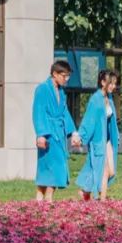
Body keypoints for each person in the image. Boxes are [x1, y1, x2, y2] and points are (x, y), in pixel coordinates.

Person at [32, 60, 81, 202]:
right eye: (64, 76)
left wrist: (73, 132)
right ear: (55, 74)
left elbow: (64, 112)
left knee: (51, 165)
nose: (66, 79)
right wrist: (41, 134)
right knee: (52, 165)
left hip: (59, 133)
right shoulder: (42, 89)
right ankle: (48, 198)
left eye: (68, 76)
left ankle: (40, 198)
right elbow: (38, 112)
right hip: (48, 133)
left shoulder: (61, 92)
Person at [76, 69, 120, 201]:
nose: (113, 86)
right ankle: (102, 200)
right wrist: (81, 137)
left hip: (107, 140)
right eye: (110, 83)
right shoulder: (95, 99)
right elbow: (88, 120)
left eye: (114, 83)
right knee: (104, 169)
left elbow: (111, 121)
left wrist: (116, 135)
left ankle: (85, 191)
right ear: (102, 82)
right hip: (97, 140)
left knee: (111, 171)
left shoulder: (109, 98)